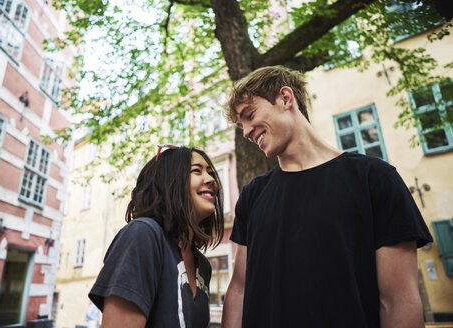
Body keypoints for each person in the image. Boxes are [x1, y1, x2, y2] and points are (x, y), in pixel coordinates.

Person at [221, 66, 432, 328]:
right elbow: (239, 290)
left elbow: (399, 302)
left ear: (286, 98)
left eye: (249, 115)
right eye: (241, 126)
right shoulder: (252, 196)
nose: (246, 132)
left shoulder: (375, 179)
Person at [89, 146, 224, 327]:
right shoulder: (142, 235)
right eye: (196, 171)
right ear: (169, 181)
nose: (211, 180)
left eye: (210, 172)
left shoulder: (203, 265)